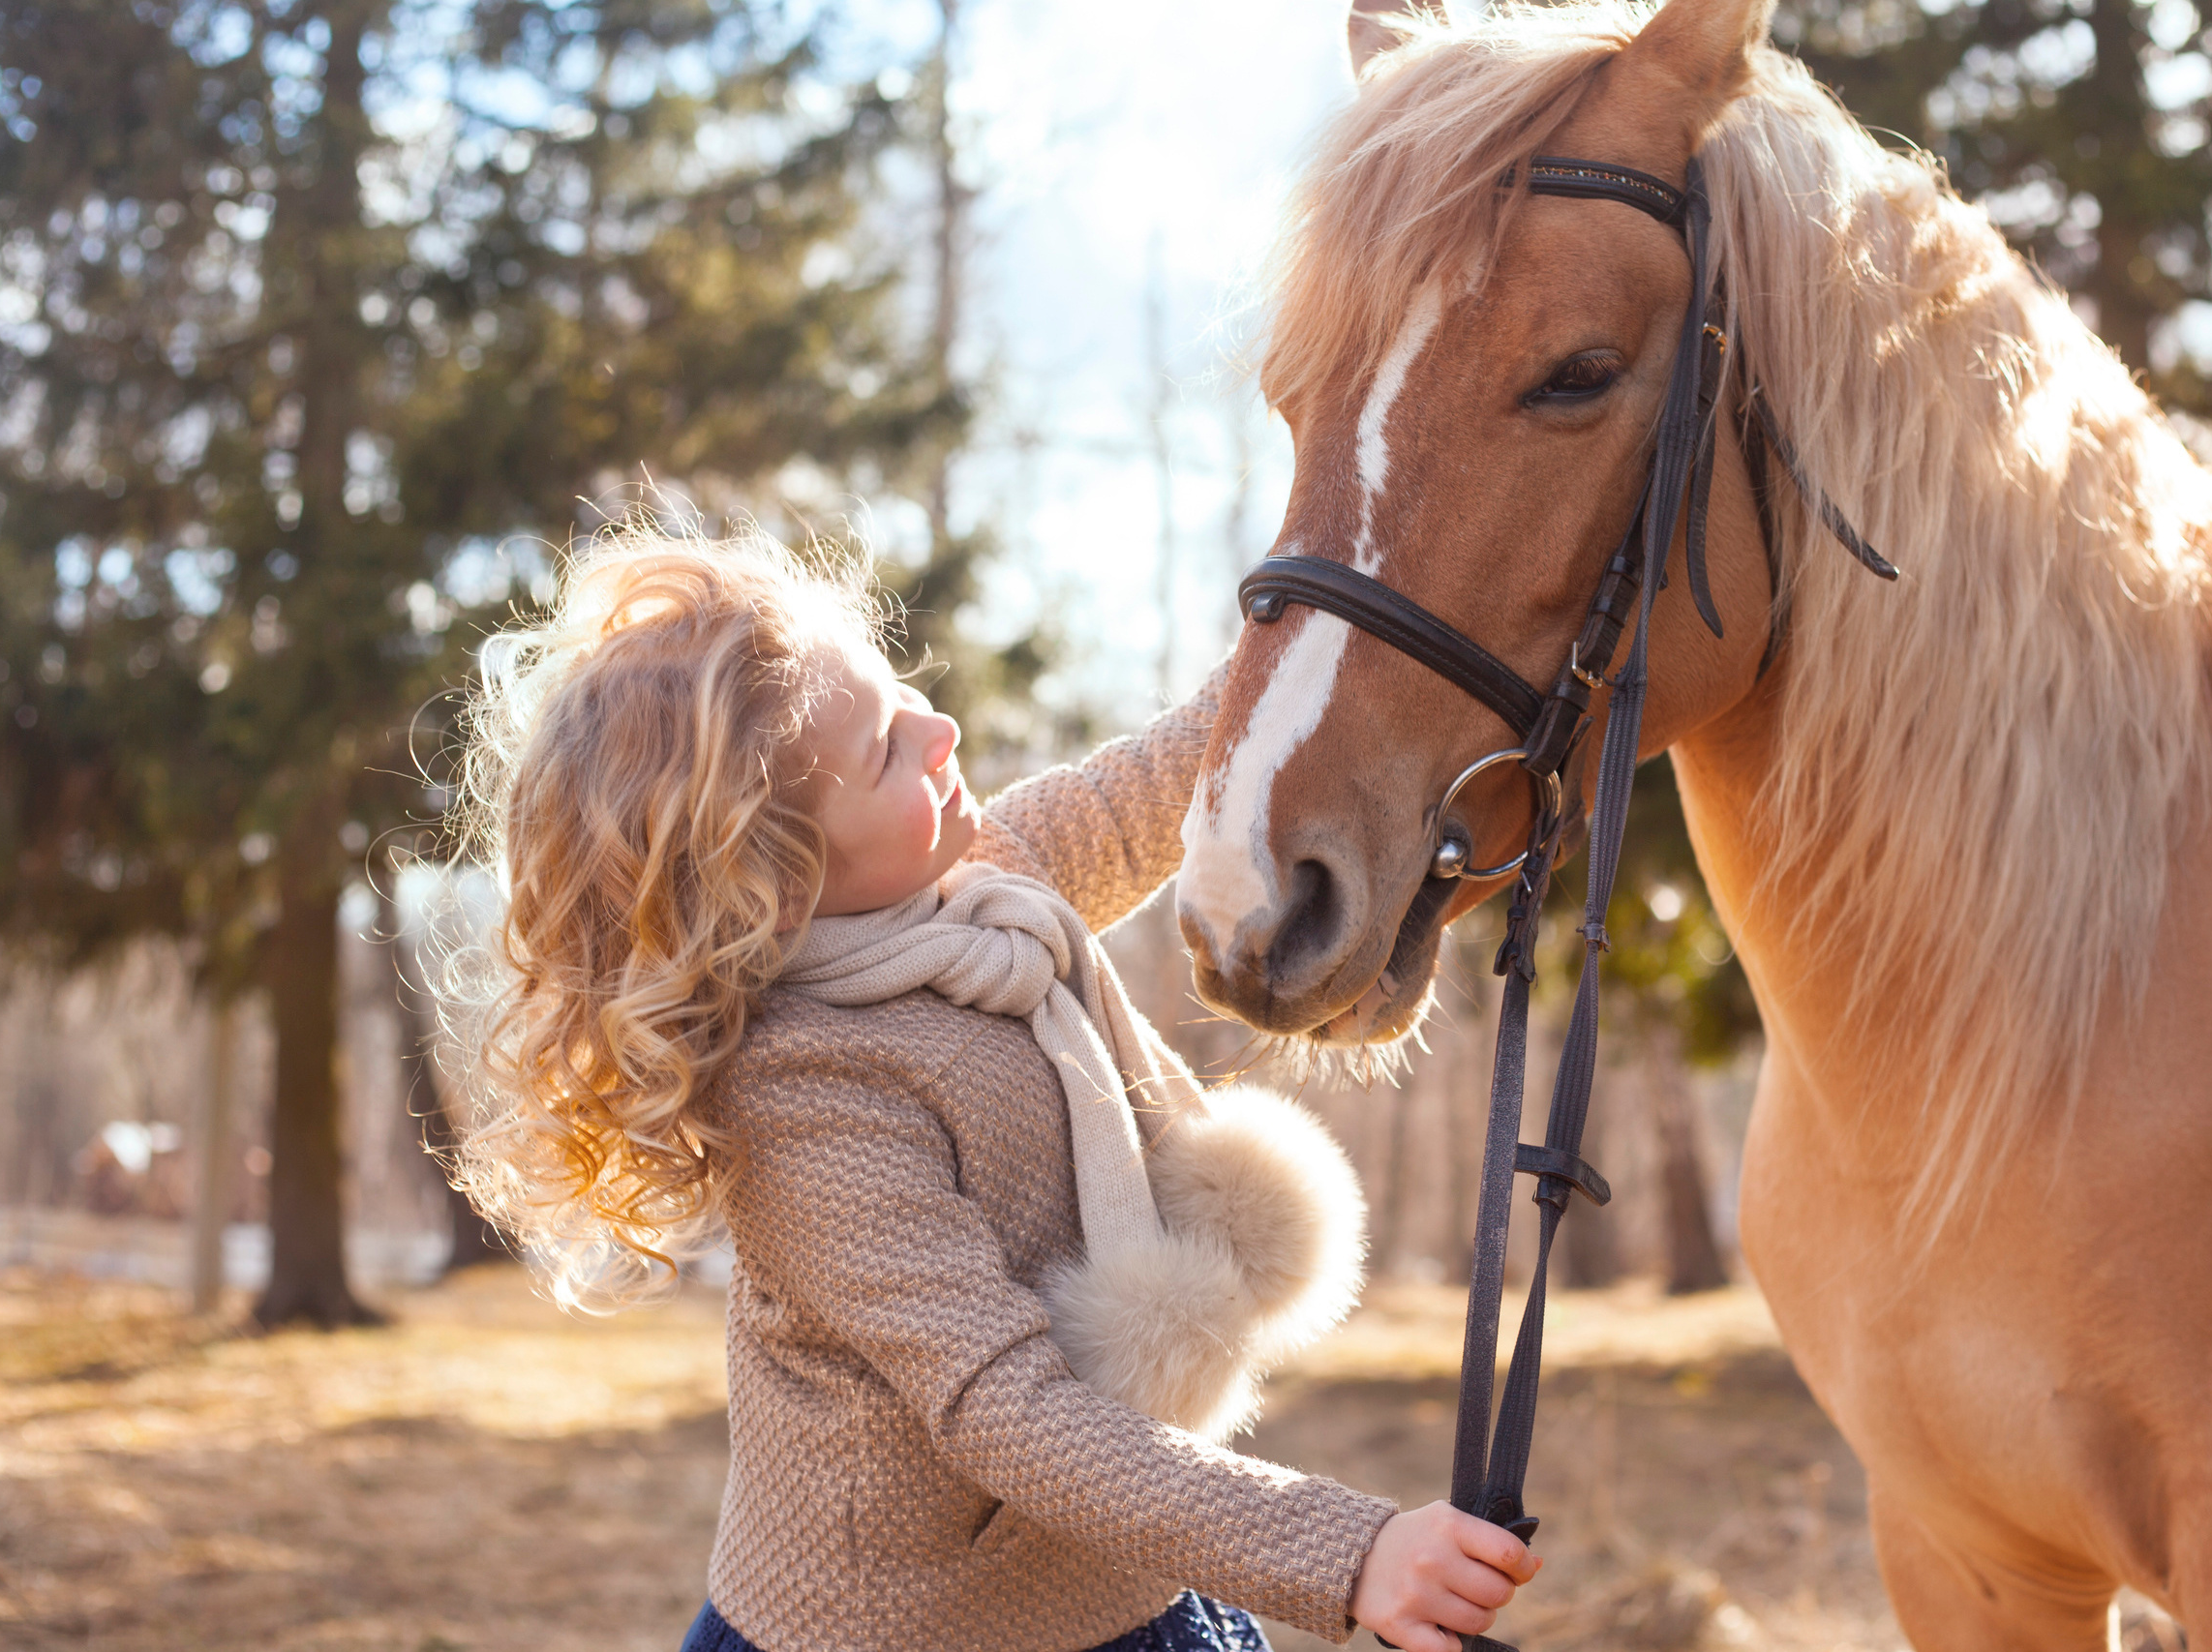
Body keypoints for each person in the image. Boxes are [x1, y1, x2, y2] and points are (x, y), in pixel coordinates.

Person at [446, 521, 1537, 1652]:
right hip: (911, 1631)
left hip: (1121, 1572)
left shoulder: (980, 884)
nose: (941, 729)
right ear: (771, 884)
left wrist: (1346, 629)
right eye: (883, 749)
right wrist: (1347, 1552)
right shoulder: (804, 1098)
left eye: (903, 693)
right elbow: (1004, 1413)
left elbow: (1145, 785)